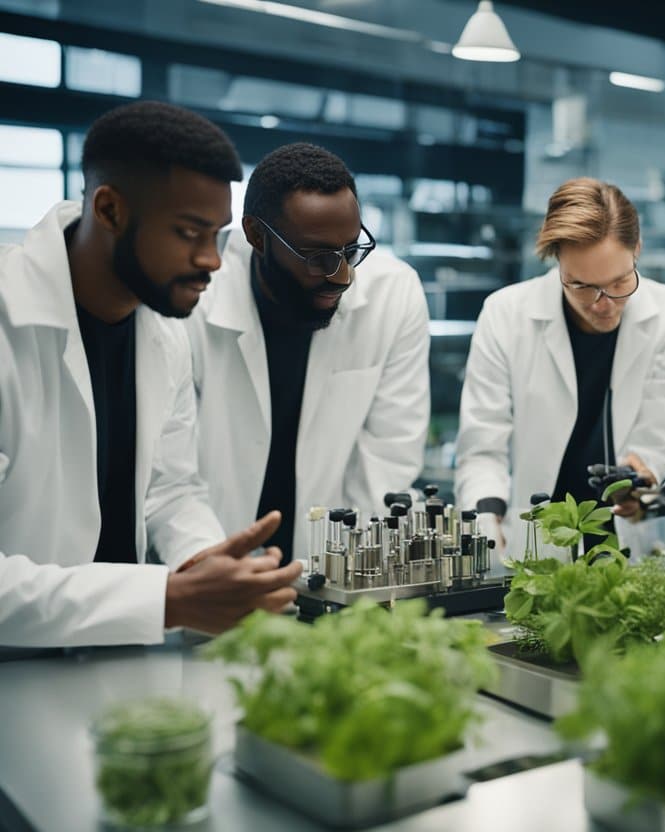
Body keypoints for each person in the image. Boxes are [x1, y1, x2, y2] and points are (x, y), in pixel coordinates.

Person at [0, 101, 301, 648]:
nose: (212, 260)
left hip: (113, 661)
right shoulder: (6, 322)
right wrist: (166, 600)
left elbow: (170, 488)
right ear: (111, 209)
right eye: (189, 232)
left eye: (218, 234)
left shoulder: (162, 331)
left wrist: (208, 561)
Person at [188, 143, 430, 564]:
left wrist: (351, 577)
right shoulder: (196, 297)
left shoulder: (394, 292)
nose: (342, 276)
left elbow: (388, 457)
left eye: (351, 250)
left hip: (333, 562)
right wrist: (208, 566)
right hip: (209, 556)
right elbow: (173, 470)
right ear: (257, 235)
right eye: (317, 257)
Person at [455, 177, 665, 563]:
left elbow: (659, 433)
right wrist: (486, 519)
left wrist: (638, 478)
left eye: (620, 282)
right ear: (556, 260)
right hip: (535, 542)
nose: (603, 304)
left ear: (637, 249)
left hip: (625, 541)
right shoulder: (506, 314)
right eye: (581, 285)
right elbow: (482, 445)